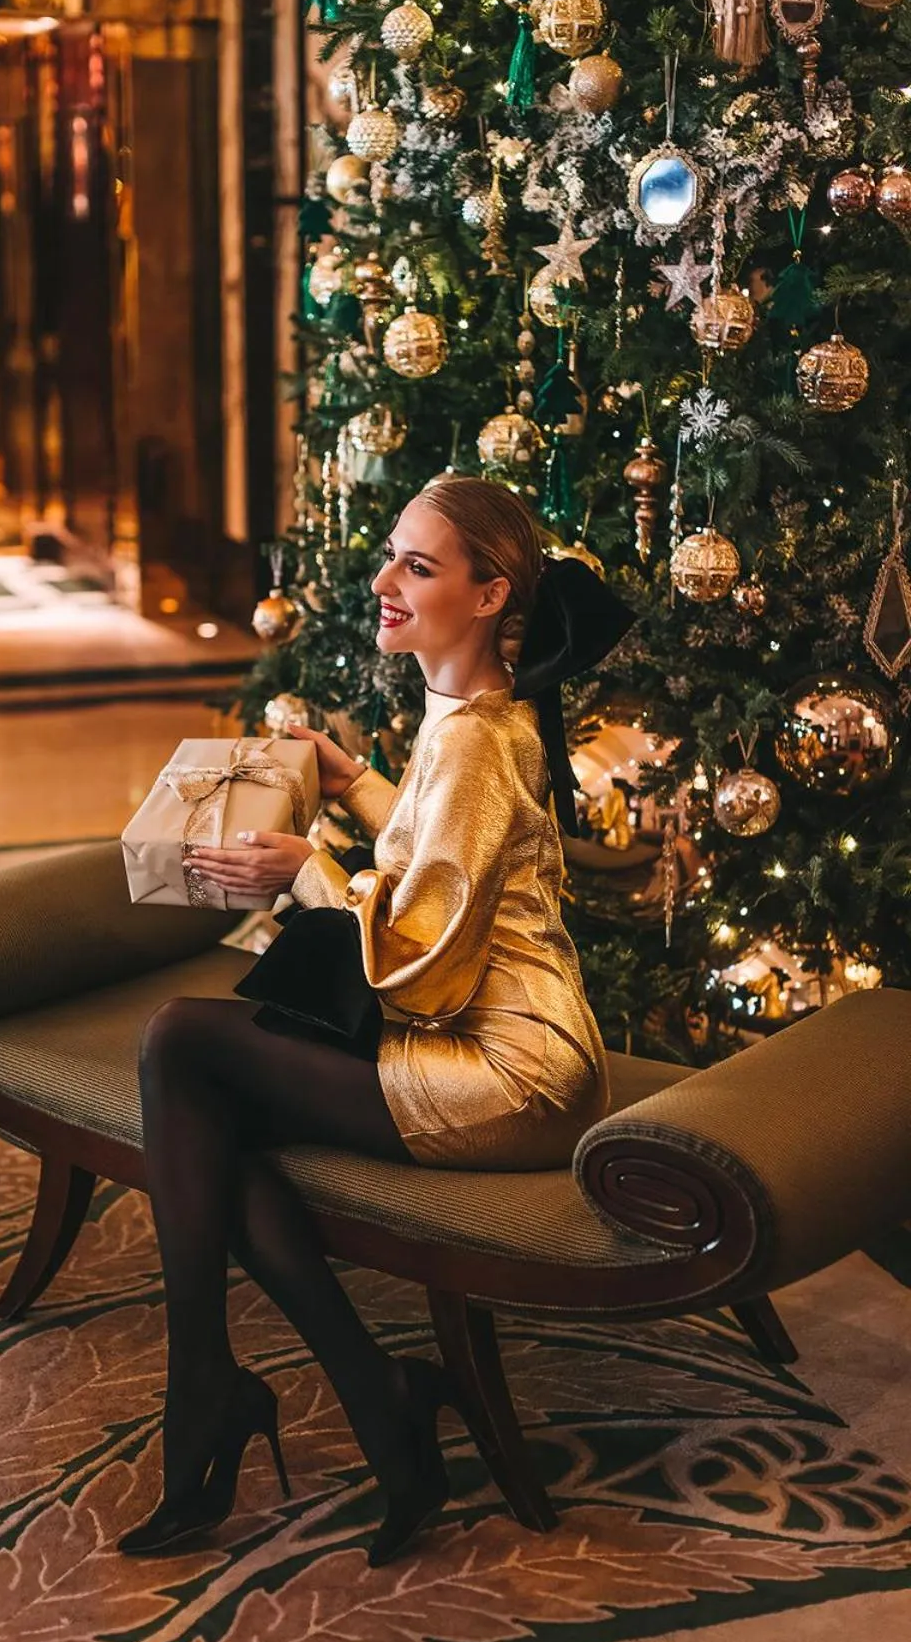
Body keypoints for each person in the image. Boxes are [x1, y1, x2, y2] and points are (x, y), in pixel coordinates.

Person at [117, 477, 633, 1567]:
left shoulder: (481, 740)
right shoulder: (467, 721)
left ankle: (213, 1387)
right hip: (484, 1040)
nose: (384, 581)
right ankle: (370, 1393)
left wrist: (306, 864)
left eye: (420, 567)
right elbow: (444, 844)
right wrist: (354, 790)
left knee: (181, 1042)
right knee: (215, 1108)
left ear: (493, 594)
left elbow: (424, 963)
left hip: (511, 1068)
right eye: (394, 555)